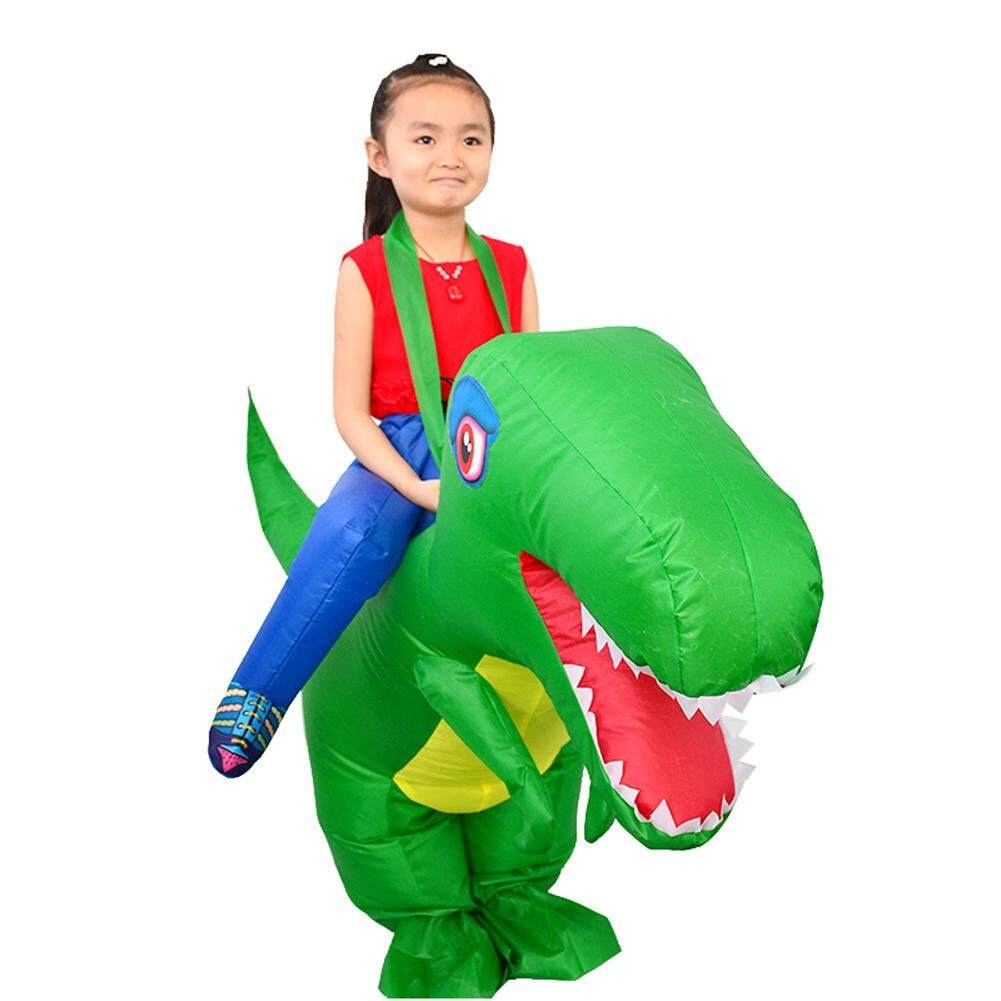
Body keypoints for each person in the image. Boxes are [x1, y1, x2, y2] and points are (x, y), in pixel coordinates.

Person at [208, 52, 539, 777]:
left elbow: (528, 388)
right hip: (397, 446)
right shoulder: (364, 270)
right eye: (424, 138)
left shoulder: (513, 265)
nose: (450, 155)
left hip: (488, 443)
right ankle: (259, 689)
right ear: (379, 156)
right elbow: (350, 411)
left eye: (471, 138)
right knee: (354, 532)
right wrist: (415, 486)